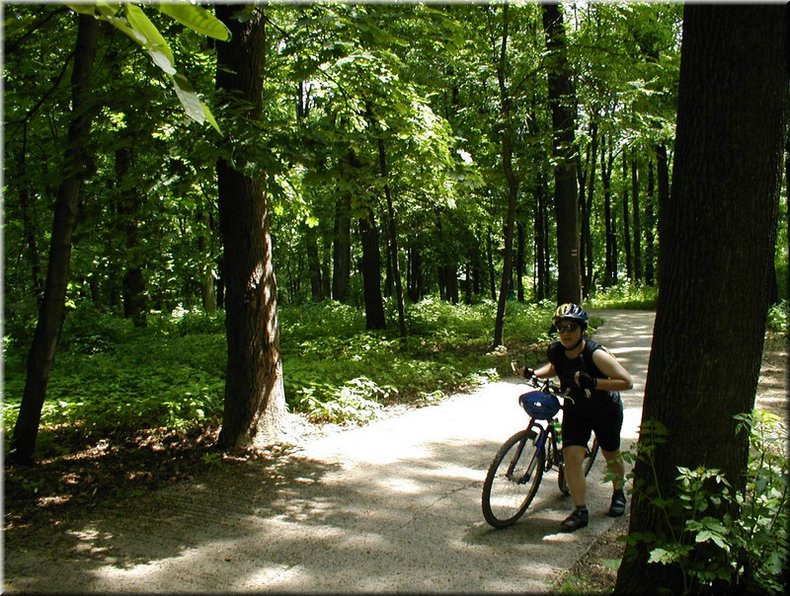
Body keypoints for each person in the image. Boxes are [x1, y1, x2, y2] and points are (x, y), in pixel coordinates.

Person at [515, 303, 633, 532]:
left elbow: (626, 382)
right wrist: (533, 373)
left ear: (582, 329)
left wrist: (594, 382)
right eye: (561, 328)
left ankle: (619, 493)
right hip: (576, 408)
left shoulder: (594, 354)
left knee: (611, 454)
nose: (566, 333)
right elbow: (554, 367)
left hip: (605, 409)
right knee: (571, 458)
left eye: (571, 327)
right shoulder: (557, 350)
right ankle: (580, 511)